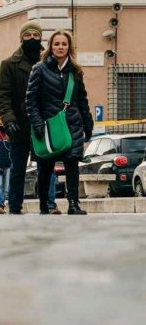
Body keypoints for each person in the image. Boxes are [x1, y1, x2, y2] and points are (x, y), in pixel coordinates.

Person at [26, 29, 93, 215]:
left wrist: (88, 125)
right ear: (51, 47)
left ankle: (73, 204)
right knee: (45, 168)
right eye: (57, 44)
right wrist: (37, 122)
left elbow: (82, 101)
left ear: (69, 46)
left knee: (72, 165)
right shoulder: (39, 69)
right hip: (47, 126)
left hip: (72, 124)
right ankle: (44, 206)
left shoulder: (76, 71)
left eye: (64, 44)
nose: (60, 47)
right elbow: (30, 100)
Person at [0, 21, 52, 215]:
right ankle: (15, 206)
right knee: (18, 168)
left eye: (35, 35)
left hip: (43, 124)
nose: (32, 39)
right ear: (21, 38)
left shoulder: (49, 63)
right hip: (19, 125)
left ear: (41, 38)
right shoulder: (9, 64)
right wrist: (9, 120)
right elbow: (3, 96)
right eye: (27, 35)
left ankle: (48, 205)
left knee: (46, 168)